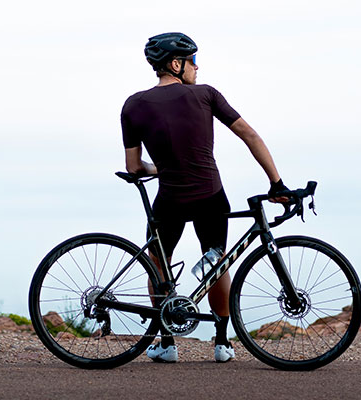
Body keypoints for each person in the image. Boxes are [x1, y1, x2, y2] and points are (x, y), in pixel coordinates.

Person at [120, 32, 288, 363]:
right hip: (210, 195)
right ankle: (222, 343)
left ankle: (166, 342)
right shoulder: (206, 95)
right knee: (216, 262)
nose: (197, 67)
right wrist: (276, 182)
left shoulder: (133, 105)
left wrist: (162, 169)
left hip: (169, 198)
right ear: (176, 63)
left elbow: (134, 166)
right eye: (193, 60)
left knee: (158, 265)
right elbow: (249, 135)